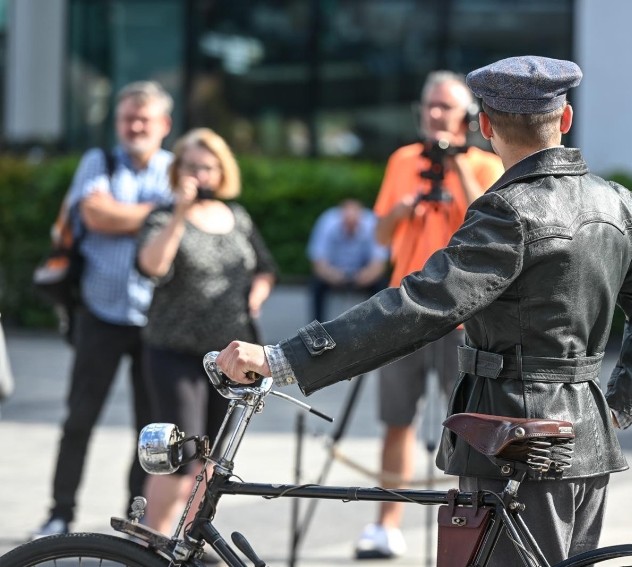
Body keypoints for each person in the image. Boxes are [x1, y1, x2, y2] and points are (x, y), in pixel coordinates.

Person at [216, 55, 632, 566]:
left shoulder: (508, 208)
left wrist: (285, 357)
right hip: (585, 439)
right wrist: (618, 407)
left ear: (484, 126)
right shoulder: (616, 202)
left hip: (514, 437)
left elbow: (421, 303)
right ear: (566, 118)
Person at [350, 70, 503, 559]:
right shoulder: (403, 160)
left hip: (463, 316)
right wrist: (404, 207)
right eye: (429, 107)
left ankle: (473, 526)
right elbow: (379, 235)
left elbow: (489, 219)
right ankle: (386, 524)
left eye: (445, 107)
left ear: (466, 117)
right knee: (396, 421)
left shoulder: (484, 162)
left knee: (467, 424)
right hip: (406, 312)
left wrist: (454, 163)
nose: (435, 116)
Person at [33, 81, 175, 538]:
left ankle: (135, 521)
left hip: (156, 321)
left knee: (149, 431)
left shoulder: (177, 168)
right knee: (79, 419)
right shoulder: (98, 161)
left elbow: (176, 224)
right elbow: (94, 216)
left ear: (164, 126)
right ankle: (60, 512)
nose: (134, 126)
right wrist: (159, 214)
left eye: (144, 119)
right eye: (127, 118)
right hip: (100, 314)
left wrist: (127, 213)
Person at [136, 127, 278, 535]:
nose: (200, 175)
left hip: (230, 357)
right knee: (179, 453)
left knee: (216, 457)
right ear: (178, 170)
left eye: (209, 167)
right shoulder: (163, 216)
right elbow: (153, 267)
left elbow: (265, 267)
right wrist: (179, 213)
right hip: (174, 351)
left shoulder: (237, 216)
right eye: (192, 167)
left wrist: (257, 292)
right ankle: (155, 541)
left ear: (222, 171)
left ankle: (191, 537)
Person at [307, 198, 387, 323]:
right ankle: (316, 327)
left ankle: (379, 324)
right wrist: (332, 275)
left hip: (363, 272)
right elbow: (318, 262)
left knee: (381, 285)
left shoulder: (372, 223)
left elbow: (379, 263)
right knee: (316, 285)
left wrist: (366, 276)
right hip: (334, 272)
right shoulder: (327, 222)